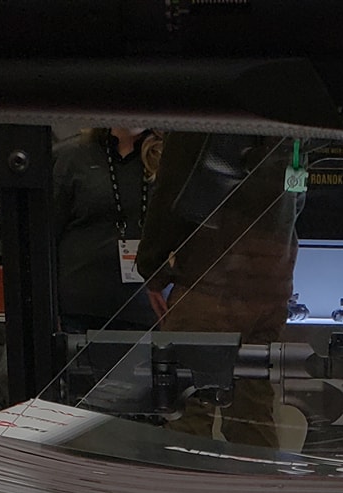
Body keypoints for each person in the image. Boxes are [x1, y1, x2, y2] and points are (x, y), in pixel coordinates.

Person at [137, 133, 301, 446]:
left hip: (211, 279)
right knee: (253, 411)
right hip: (270, 283)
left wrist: (152, 267)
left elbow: (172, 191)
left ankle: (191, 479)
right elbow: (296, 195)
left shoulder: (206, 116)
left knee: (189, 408)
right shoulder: (288, 122)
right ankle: (257, 477)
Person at [50, 127, 156, 334]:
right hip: (78, 312)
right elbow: (47, 236)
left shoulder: (171, 158)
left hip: (147, 313)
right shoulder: (75, 156)